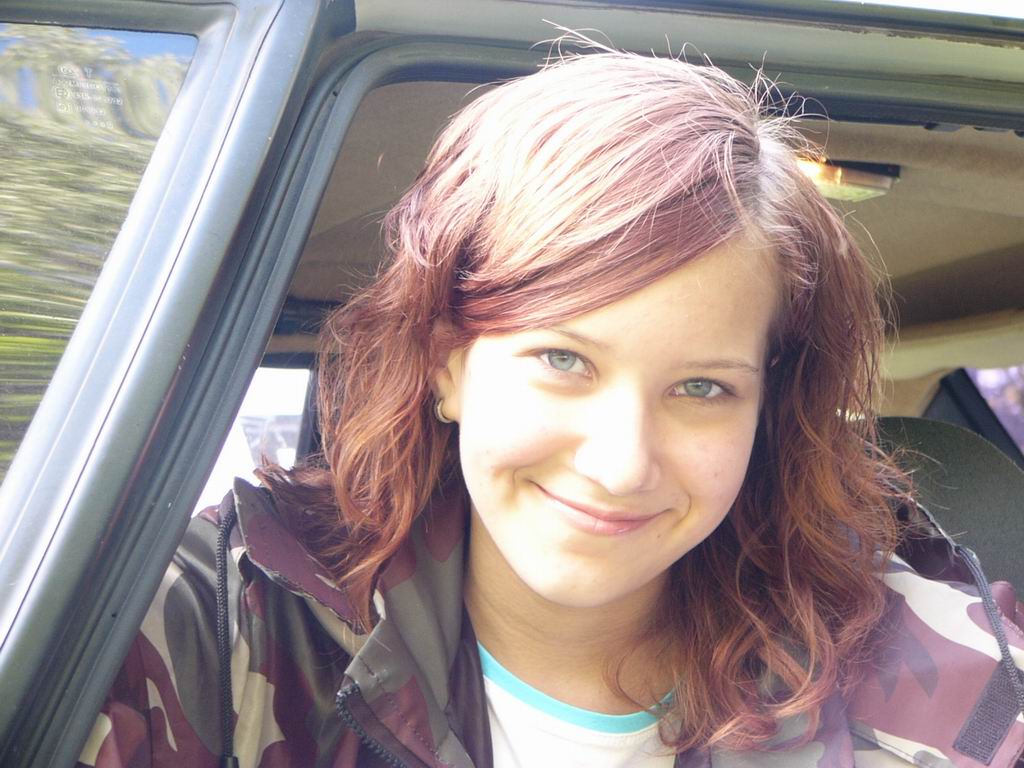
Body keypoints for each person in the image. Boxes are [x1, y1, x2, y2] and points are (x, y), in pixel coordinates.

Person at [79, 48, 1024, 768]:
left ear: (766, 412)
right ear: (446, 364)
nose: (621, 464)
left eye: (702, 388)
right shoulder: (205, 623)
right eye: (563, 360)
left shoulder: (943, 674)